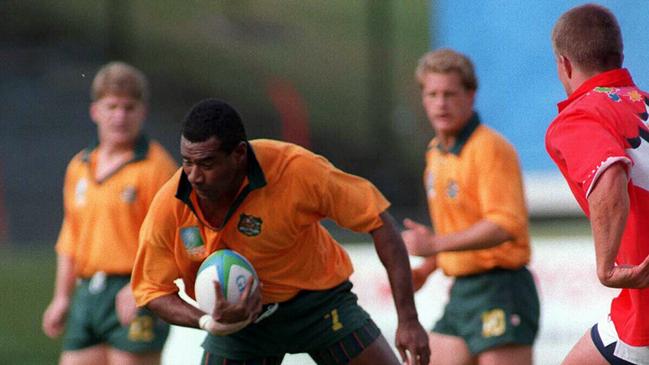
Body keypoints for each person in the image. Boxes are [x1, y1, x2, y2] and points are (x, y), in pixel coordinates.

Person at [130, 98, 431, 365]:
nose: (194, 175)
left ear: (238, 155)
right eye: (187, 161)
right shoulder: (170, 204)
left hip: (317, 303)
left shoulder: (295, 169)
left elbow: (378, 221)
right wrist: (208, 321)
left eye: (207, 163)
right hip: (239, 324)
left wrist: (409, 320)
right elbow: (151, 290)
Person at [401, 48, 540, 365]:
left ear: (471, 95)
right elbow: (465, 228)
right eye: (432, 93)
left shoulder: (491, 148)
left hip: (502, 288)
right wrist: (429, 265)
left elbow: (506, 225)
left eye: (450, 94)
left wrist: (434, 243)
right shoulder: (435, 153)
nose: (441, 103)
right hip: (462, 291)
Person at [42, 61, 177, 365]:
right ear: (95, 111)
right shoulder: (80, 166)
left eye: (129, 107)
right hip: (89, 291)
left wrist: (138, 286)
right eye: (112, 106)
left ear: (143, 111)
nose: (120, 116)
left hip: (133, 290)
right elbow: (70, 237)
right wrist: (62, 297)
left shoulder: (157, 168)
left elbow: (168, 239)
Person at [546, 4, 649, 365]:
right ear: (619, 55)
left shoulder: (578, 118)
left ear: (565, 64)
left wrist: (606, 266)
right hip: (629, 313)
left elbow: (608, 178)